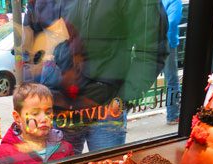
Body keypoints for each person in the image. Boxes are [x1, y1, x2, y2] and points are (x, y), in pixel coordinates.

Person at [30, 0, 169, 154]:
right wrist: (34, 96)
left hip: (106, 106)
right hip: (61, 104)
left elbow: (151, 49)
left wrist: (124, 98)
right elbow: (33, 35)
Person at [0, 83, 73, 164]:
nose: (44, 119)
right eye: (35, 113)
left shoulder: (64, 148)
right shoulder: (2, 156)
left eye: (48, 112)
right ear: (17, 117)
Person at [161, 0, 182, 125]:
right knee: (172, 80)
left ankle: (122, 115)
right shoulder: (175, 1)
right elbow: (173, 22)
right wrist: (172, 42)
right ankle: (173, 116)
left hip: (150, 41)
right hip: (166, 43)